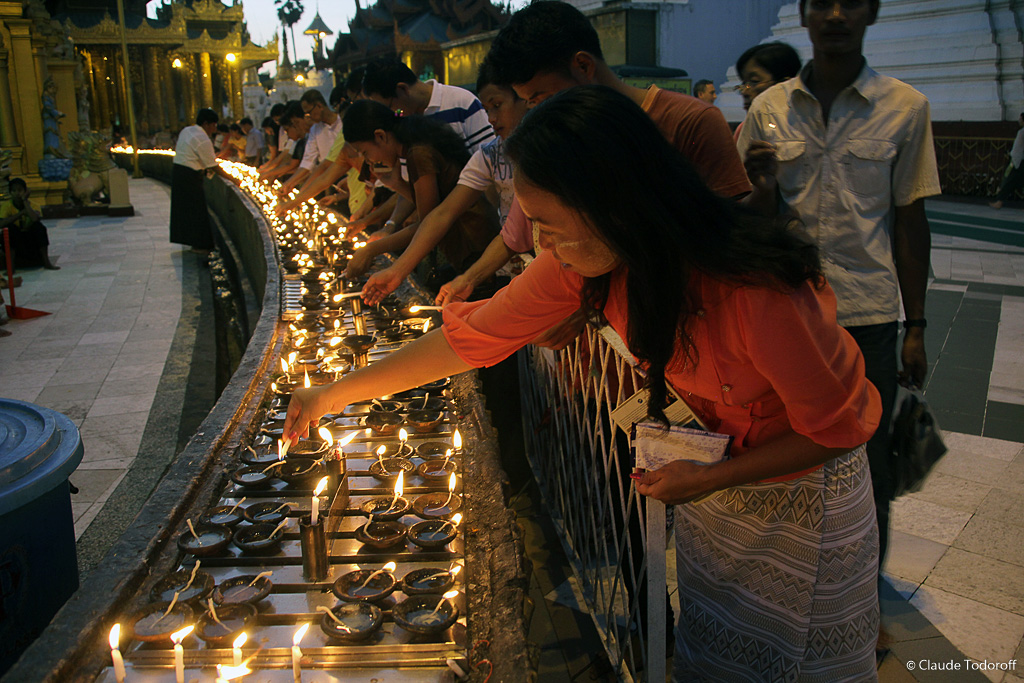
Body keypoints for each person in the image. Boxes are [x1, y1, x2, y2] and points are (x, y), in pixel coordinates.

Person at [284, 86, 882, 681]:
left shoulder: (757, 290)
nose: (538, 245)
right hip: (711, 491)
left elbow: (835, 431)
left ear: (612, 205)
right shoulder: (586, 261)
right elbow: (468, 341)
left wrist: (712, 477)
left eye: (546, 224)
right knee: (722, 656)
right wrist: (328, 395)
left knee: (798, 662)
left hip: (802, 499)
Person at [736, 0, 942, 623]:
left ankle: (859, 605)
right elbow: (746, 216)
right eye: (820, 1)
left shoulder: (905, 108)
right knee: (786, 454)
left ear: (871, 12)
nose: (834, 13)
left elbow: (910, 222)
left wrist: (916, 326)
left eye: (850, 1)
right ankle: (785, 591)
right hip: (789, 316)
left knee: (867, 465)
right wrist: (763, 192)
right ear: (801, 12)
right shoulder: (767, 111)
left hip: (869, 317)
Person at [360, 59, 528, 305]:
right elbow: (443, 213)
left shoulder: (539, 154)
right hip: (510, 264)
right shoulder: (491, 153)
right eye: (487, 109)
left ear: (526, 99)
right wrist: (397, 271)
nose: (491, 119)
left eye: (497, 106)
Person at [340, 100, 499, 288]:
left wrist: (371, 250)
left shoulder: (418, 153)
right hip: (474, 245)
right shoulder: (416, 144)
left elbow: (427, 224)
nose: (368, 160)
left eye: (365, 152)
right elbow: (434, 205)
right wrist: (397, 183)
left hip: (474, 246)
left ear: (380, 136)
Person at [362, 58, 494, 154]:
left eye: (391, 106)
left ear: (402, 89)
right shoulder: (400, 118)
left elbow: (489, 158)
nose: (394, 113)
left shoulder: (462, 102)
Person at [170, 107, 220, 254]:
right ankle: (200, 245)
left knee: (187, 209)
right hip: (189, 176)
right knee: (196, 209)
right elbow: (213, 165)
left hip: (179, 172)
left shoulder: (187, 130)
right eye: (214, 125)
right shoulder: (202, 138)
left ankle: (193, 242)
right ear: (206, 123)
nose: (214, 129)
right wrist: (235, 180)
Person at [732, 41, 802, 141]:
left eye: (754, 81)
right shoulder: (743, 131)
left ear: (784, 84)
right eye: (743, 84)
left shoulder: (805, 126)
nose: (745, 92)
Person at [0, 177, 59, 270]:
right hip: (16, 240)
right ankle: (11, 266)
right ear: (10, 193)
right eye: (14, 191)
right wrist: (21, 213)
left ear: (25, 191)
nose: (17, 193)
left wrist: (25, 201)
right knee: (9, 229)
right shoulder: (6, 206)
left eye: (20, 190)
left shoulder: (33, 205)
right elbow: (1, 223)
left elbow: (35, 218)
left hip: (31, 242)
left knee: (39, 227)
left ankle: (46, 262)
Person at [990, 112, 1024, 208]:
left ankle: (999, 201)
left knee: (1009, 180)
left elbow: (1018, 148)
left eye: (1020, 119)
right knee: (1010, 181)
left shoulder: (1022, 132)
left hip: (1017, 161)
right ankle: (999, 201)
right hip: (1018, 160)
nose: (1019, 120)